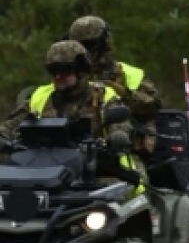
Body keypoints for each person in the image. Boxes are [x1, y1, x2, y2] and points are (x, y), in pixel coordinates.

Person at [0, 41, 145, 189]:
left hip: (91, 171)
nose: (57, 76)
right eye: (52, 70)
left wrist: (118, 136)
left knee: (124, 192)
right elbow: (9, 126)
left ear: (81, 70)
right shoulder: (40, 97)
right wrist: (3, 137)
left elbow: (120, 123)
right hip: (39, 171)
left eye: (64, 70)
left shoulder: (102, 95)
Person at [68, 15, 160, 155]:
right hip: (73, 151)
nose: (84, 51)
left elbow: (153, 106)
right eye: (78, 45)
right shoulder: (67, 76)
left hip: (125, 151)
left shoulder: (128, 74)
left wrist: (123, 94)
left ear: (104, 44)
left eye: (89, 45)